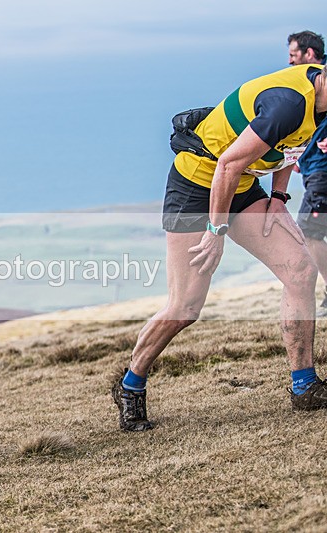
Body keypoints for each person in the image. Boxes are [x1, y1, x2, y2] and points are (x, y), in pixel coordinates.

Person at [112, 62, 327, 431]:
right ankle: (130, 385)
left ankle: (304, 385)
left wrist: (278, 197)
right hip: (197, 187)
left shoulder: (318, 101)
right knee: (185, 307)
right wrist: (216, 231)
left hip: (240, 186)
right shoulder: (290, 103)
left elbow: (290, 146)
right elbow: (226, 164)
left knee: (300, 271)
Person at [287, 31, 327, 309]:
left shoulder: (322, 78)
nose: (290, 61)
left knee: (309, 232)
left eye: (293, 55)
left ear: (309, 54)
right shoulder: (307, 82)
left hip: (322, 172)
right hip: (313, 169)